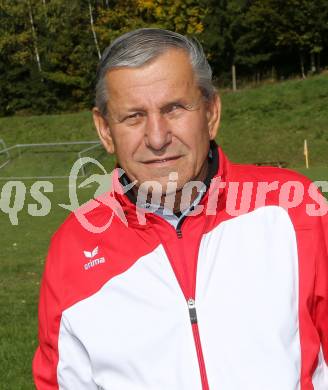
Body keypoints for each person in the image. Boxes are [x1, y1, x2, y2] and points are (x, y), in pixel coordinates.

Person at [33, 28, 328, 389]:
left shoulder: (295, 209)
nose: (157, 138)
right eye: (133, 117)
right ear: (105, 130)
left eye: (174, 108)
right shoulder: (72, 250)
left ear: (210, 112)